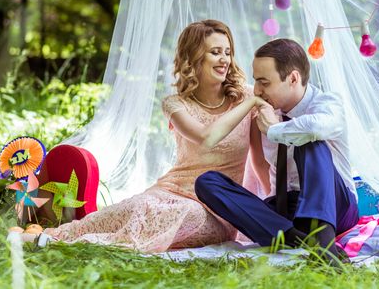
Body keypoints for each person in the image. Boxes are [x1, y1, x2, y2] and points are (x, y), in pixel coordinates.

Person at [20, 20, 269, 253]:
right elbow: (206, 137)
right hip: (171, 190)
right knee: (139, 206)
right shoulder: (175, 104)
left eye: (227, 52)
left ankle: (81, 244)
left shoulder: (246, 98)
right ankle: (52, 237)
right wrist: (250, 104)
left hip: (215, 210)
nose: (224, 59)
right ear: (194, 58)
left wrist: (272, 207)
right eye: (215, 52)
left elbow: (258, 161)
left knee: (180, 214)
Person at [195, 38, 359, 259]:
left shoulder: (326, 103)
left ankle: (323, 240)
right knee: (207, 182)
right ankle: (302, 240)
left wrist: (274, 130)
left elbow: (316, 127)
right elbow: (261, 166)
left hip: (335, 206)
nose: (257, 90)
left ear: (293, 78)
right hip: (288, 210)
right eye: (256, 82)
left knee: (308, 141)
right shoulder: (266, 111)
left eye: (265, 82)